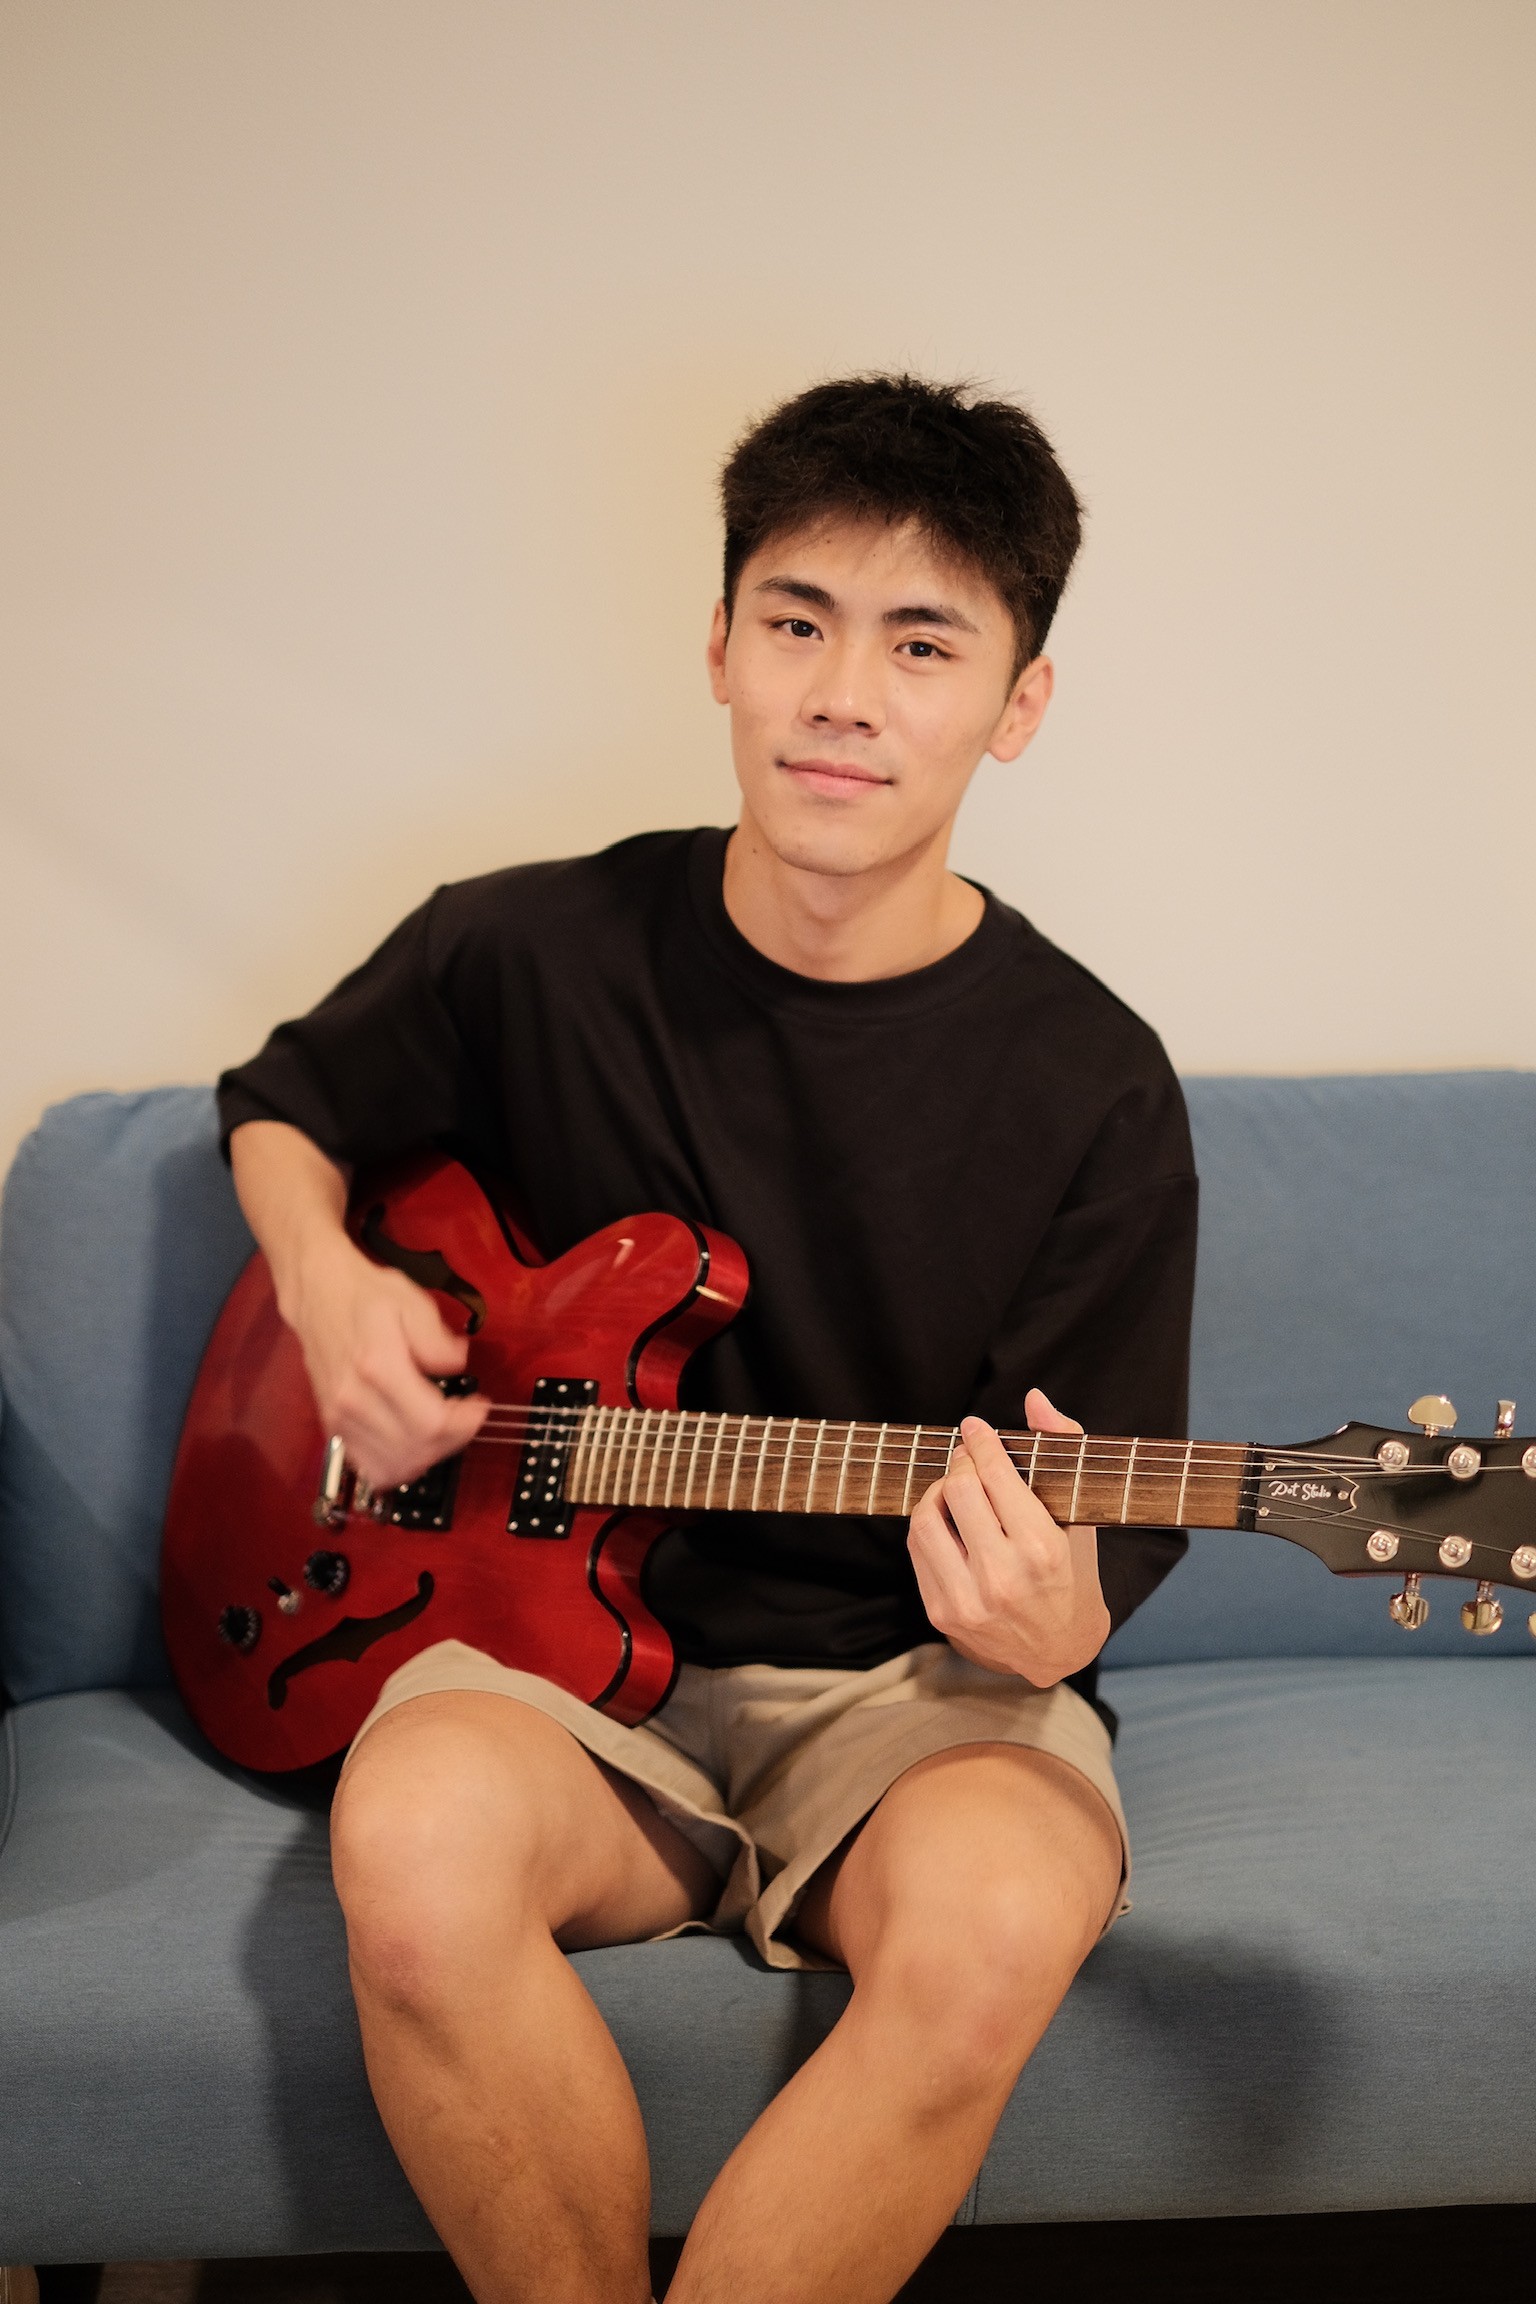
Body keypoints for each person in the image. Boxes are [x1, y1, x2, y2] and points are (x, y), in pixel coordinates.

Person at [218, 374, 1198, 2304]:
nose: (846, 694)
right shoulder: (527, 948)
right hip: (546, 1677)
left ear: (1016, 707)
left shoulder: (1093, 1081)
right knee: (410, 1843)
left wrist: (1056, 1627)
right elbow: (282, 1106)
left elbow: (1105, 1535)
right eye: (798, 622)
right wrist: (331, 1292)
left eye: (923, 644)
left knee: (1004, 1914)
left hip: (910, 1704)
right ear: (722, 650)